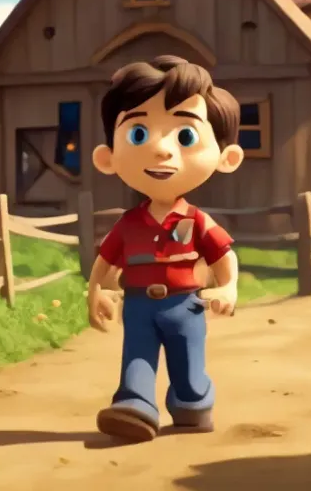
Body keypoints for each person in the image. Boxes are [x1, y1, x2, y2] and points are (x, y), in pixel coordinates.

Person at [85, 55, 244, 443]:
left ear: (227, 158)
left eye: (185, 136)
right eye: (138, 134)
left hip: (185, 305)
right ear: (107, 157)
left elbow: (225, 257)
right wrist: (94, 293)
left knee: (188, 367)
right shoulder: (129, 224)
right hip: (138, 304)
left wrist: (228, 288)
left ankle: (192, 402)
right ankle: (135, 405)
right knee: (136, 356)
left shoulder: (198, 221)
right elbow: (105, 261)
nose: (160, 150)